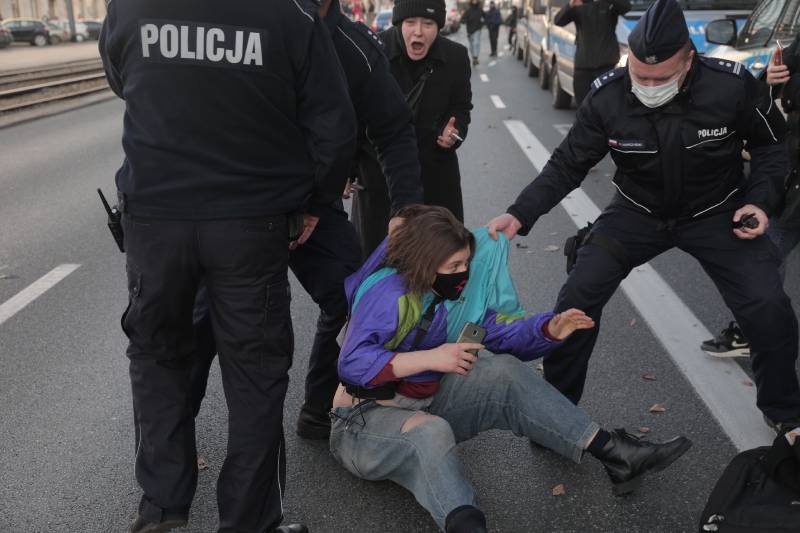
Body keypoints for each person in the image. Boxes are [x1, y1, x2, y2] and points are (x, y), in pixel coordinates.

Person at [487, 0, 800, 435]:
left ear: (690, 61)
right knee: (579, 295)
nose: (648, 85)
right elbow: (566, 165)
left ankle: (783, 408)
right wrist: (520, 213)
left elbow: (771, 148)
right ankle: (556, 412)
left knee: (767, 304)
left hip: (716, 212)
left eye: (661, 78)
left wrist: (761, 202)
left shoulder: (732, 87)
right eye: (640, 75)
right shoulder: (608, 96)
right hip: (637, 212)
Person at [100, 1, 356, 531]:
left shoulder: (130, 4)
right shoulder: (292, 12)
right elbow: (334, 123)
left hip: (156, 218)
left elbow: (121, 77)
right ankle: (248, 520)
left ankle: (162, 509)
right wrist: (314, 201)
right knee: (255, 376)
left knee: (158, 358)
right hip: (250, 222)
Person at [330, 205, 692, 533]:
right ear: (424, 264)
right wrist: (431, 358)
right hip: (363, 423)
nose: (463, 274)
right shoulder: (389, 293)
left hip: (421, 400)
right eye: (454, 267)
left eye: (466, 264)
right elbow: (351, 364)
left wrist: (549, 329)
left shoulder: (451, 294)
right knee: (432, 433)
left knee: (503, 371)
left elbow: (501, 334)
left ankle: (616, 454)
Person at [188, 0, 424, 442]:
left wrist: (405, 211)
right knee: (202, 321)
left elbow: (393, 128)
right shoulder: (245, 27)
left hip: (314, 204)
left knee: (357, 299)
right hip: (239, 206)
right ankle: (177, 436)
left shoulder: (353, 48)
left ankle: (319, 407)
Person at [702, 38, 800, 358]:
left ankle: (754, 333)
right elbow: (771, 89)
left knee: (767, 252)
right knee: (766, 253)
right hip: (792, 175)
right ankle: (750, 331)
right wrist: (770, 80)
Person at [352, 0, 473, 257]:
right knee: (378, 269)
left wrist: (455, 132)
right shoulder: (374, 51)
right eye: (410, 23)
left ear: (439, 26)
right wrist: (346, 168)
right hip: (379, 184)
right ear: (399, 24)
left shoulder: (456, 57)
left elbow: (462, 109)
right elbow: (352, 116)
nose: (418, 31)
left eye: (428, 24)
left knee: (439, 266)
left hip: (436, 182)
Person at [554, 0, 630, 106]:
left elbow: (626, 7)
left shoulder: (609, 5)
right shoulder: (580, 5)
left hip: (606, 66)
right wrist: (570, 5)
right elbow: (558, 21)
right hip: (583, 66)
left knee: (606, 105)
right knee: (583, 106)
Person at [463, 0, 485, 65]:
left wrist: (483, 22)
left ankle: (476, 57)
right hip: (469, 30)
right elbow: (463, 19)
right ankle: (474, 58)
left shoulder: (480, 10)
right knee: (471, 45)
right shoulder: (468, 10)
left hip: (477, 29)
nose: (475, 1)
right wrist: (464, 21)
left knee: (476, 43)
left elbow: (485, 17)